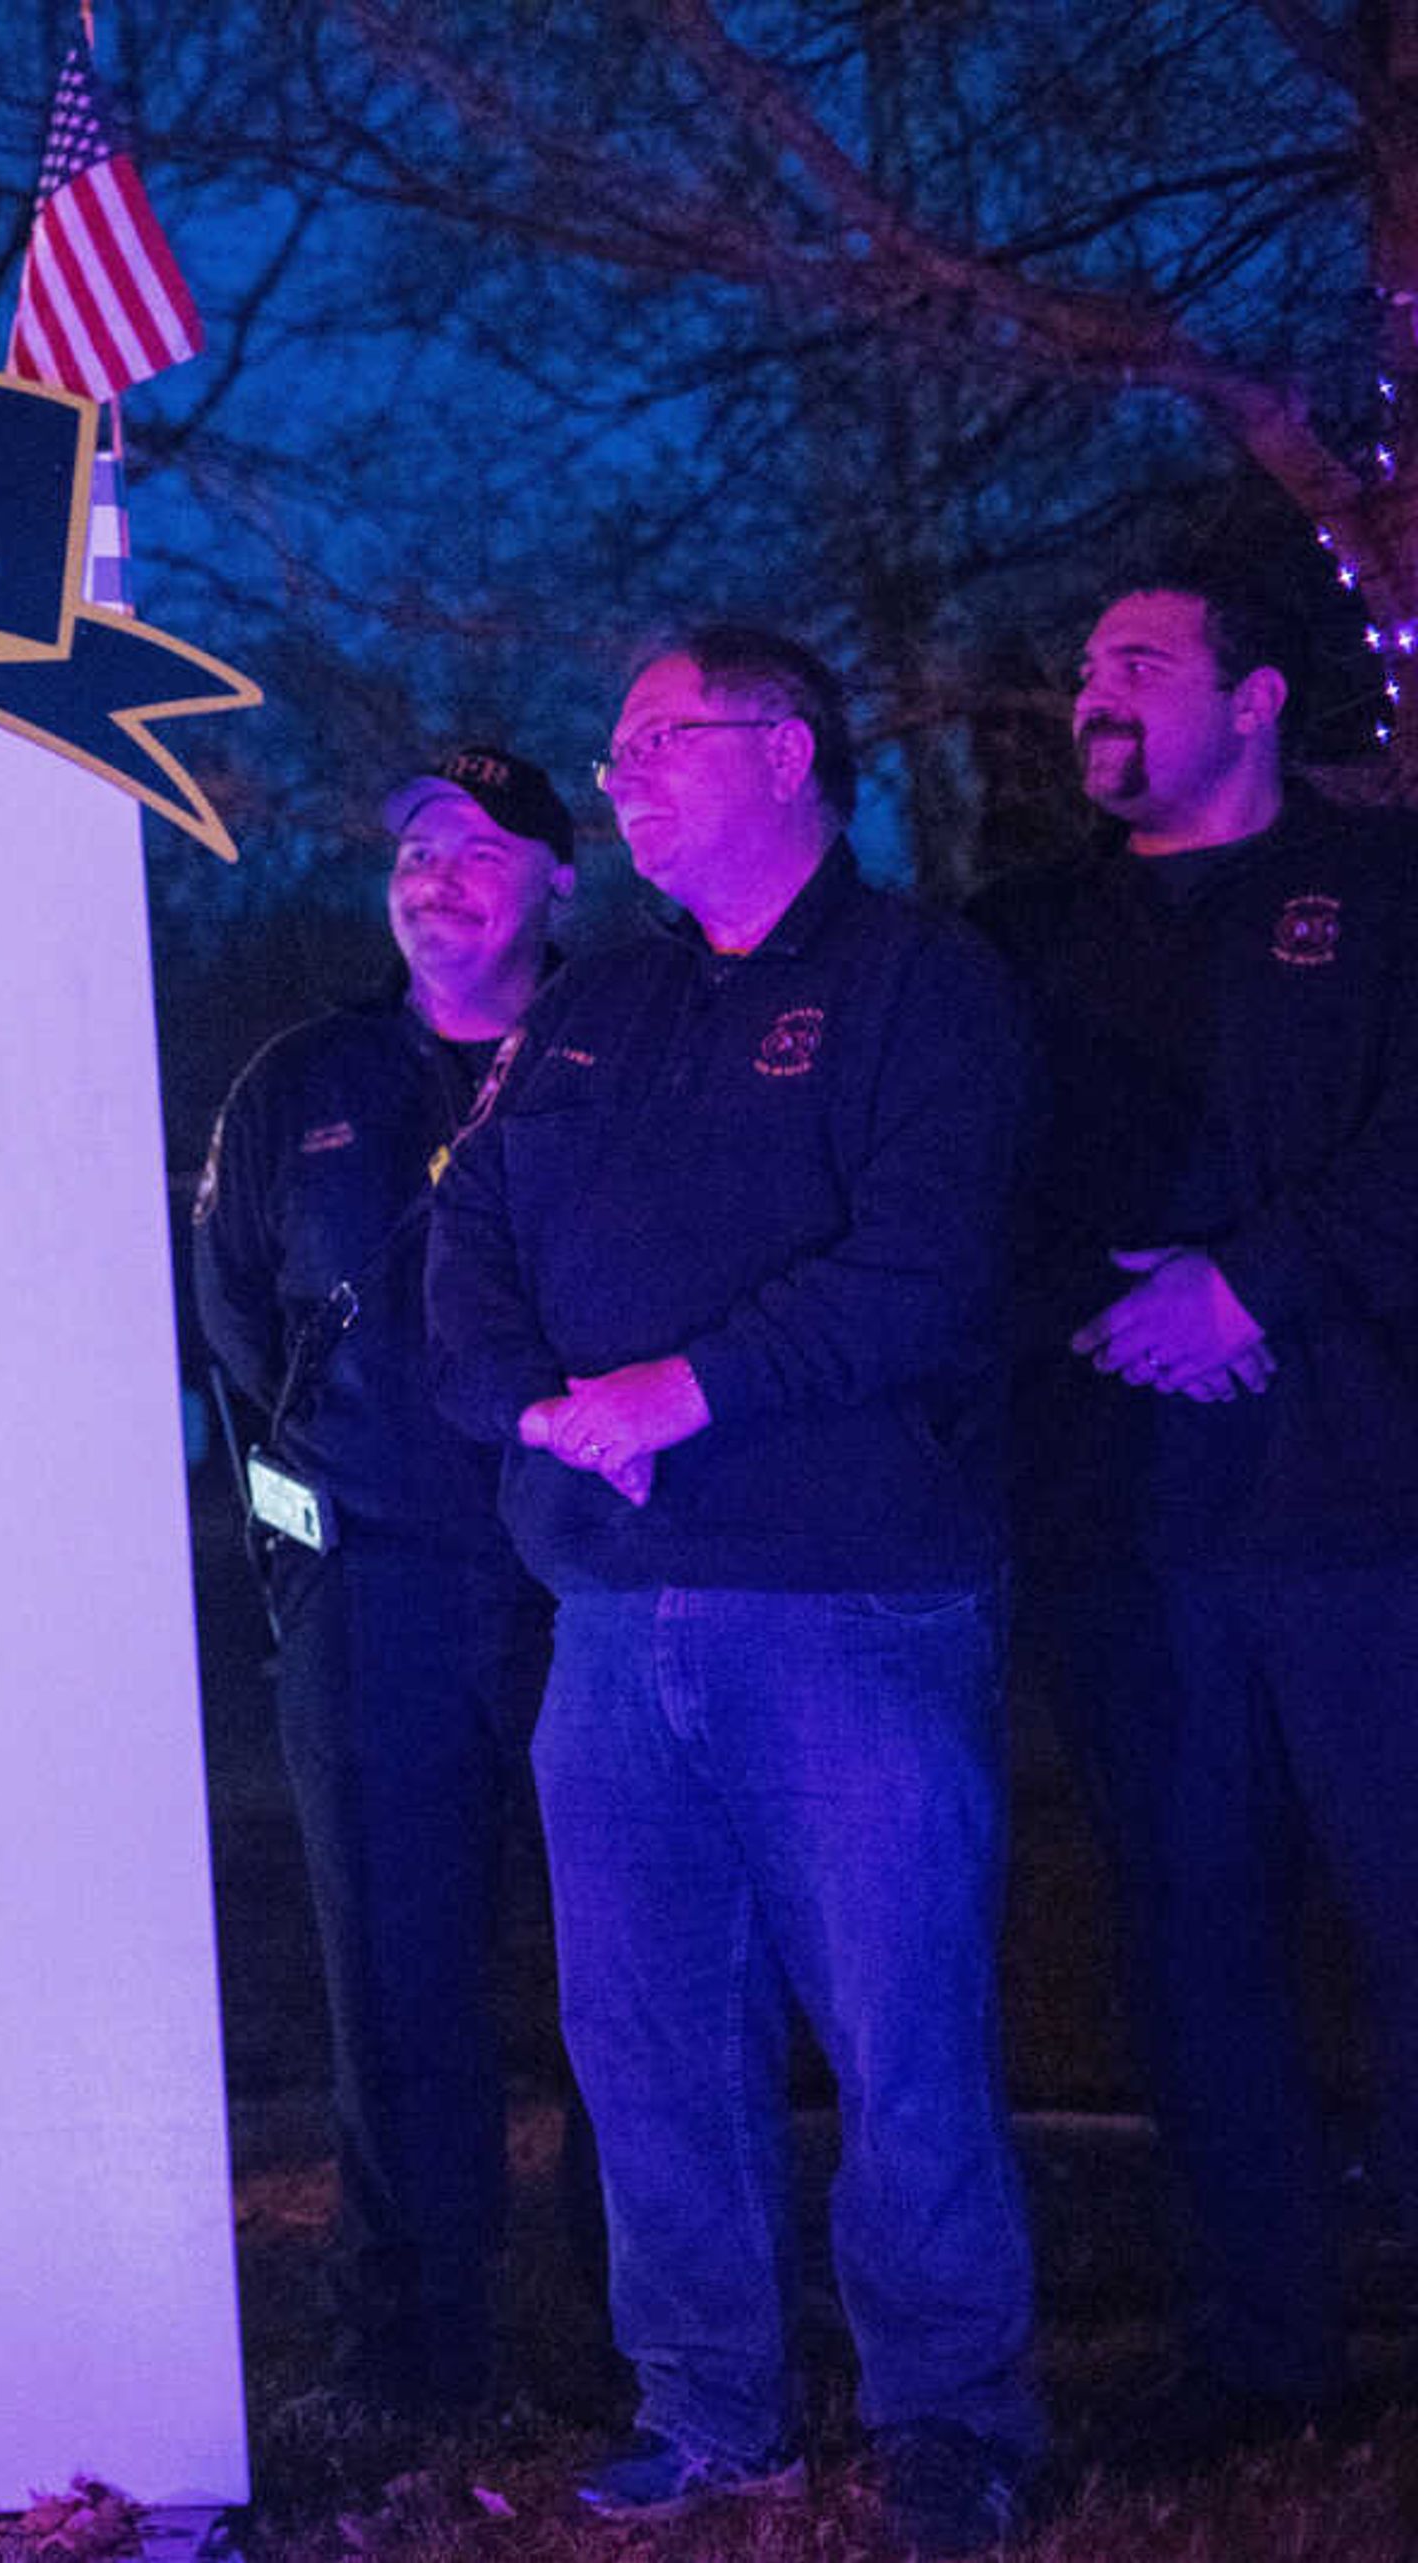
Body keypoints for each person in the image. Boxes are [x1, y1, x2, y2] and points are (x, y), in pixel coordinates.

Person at [427, 632, 1040, 2555]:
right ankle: (712, 2412)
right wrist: (536, 1405)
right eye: (613, 752)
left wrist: (684, 1392)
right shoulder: (598, 1007)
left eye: (654, 743)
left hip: (847, 1608)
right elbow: (466, 1244)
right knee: (645, 2041)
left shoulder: (922, 991)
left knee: (902, 2034)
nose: (617, 779)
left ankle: (954, 2420)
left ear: (786, 754)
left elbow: (929, 1266)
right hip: (615, 1621)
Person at [968, 571, 1418, 2451]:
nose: (1095, 694)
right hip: (1133, 1532)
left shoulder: (1391, 893)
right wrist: (1130, 1302)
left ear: (1252, 698)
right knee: (1190, 1936)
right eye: (1084, 670)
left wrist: (1254, 1285)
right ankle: (1261, 2350)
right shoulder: (1018, 935)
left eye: (1139, 665)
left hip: (1364, 1510)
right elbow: (964, 1188)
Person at [190, 745, 582, 2418]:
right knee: (397, 1979)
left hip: (602, 1579)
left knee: (629, 1981)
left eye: (485, 846)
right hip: (379, 1597)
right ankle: (407, 2350)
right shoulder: (304, 1079)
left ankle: (636, 2333)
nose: (441, 872)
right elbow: (234, 1326)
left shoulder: (628, 1052)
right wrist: (311, 1523)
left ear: (564, 881)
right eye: (418, 845)